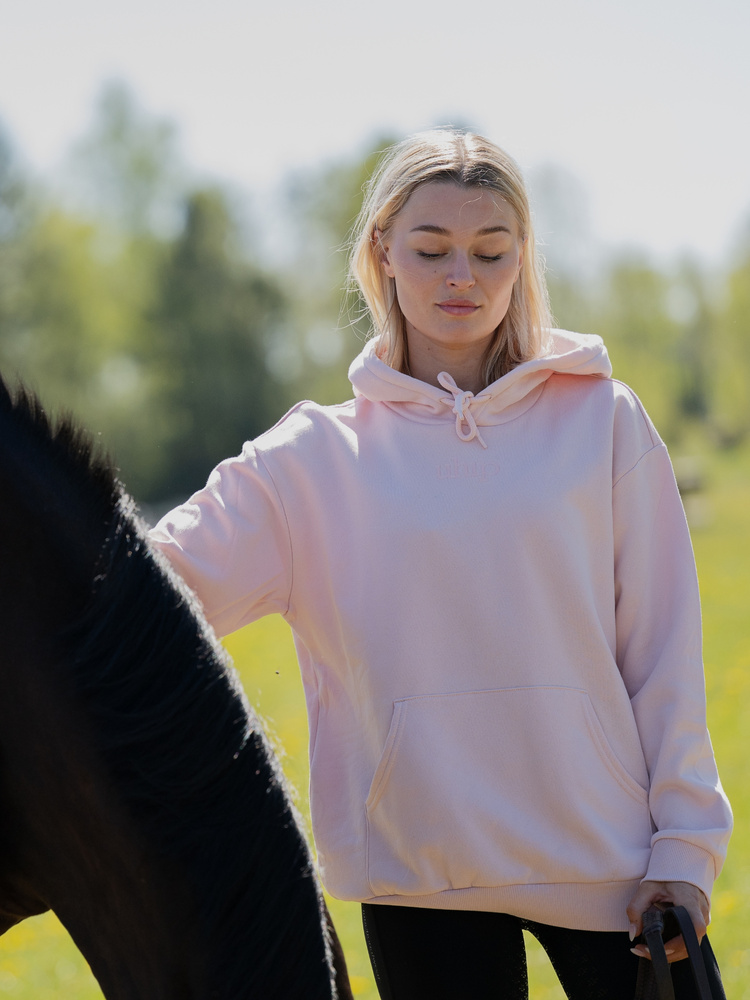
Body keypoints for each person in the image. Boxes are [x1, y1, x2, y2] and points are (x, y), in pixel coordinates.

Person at [149, 129, 732, 999]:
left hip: (615, 871)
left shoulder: (603, 422)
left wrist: (685, 848)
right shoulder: (308, 460)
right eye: (431, 248)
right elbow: (145, 588)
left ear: (521, 257)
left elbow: (664, 653)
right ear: (382, 250)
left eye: (490, 250)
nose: (462, 274)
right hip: (421, 881)